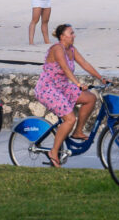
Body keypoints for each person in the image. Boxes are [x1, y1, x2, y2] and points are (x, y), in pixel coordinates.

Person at [33, 24, 108, 167]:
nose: (74, 36)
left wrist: (101, 78)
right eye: (71, 33)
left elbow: (84, 64)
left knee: (90, 98)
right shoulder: (57, 48)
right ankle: (54, 152)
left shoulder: (71, 50)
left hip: (62, 86)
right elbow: (65, 69)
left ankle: (77, 132)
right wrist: (78, 84)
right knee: (70, 119)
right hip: (48, 87)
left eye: (73, 33)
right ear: (62, 36)